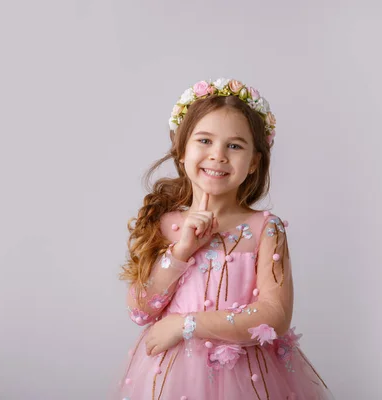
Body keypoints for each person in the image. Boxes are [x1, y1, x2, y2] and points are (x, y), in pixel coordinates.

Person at [113, 78, 335, 400]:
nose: (218, 156)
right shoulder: (166, 224)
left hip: (250, 379)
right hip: (173, 379)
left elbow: (275, 315)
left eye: (234, 145)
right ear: (182, 148)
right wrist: (182, 250)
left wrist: (185, 324)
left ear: (254, 161)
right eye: (204, 140)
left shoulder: (264, 229)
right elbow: (141, 310)